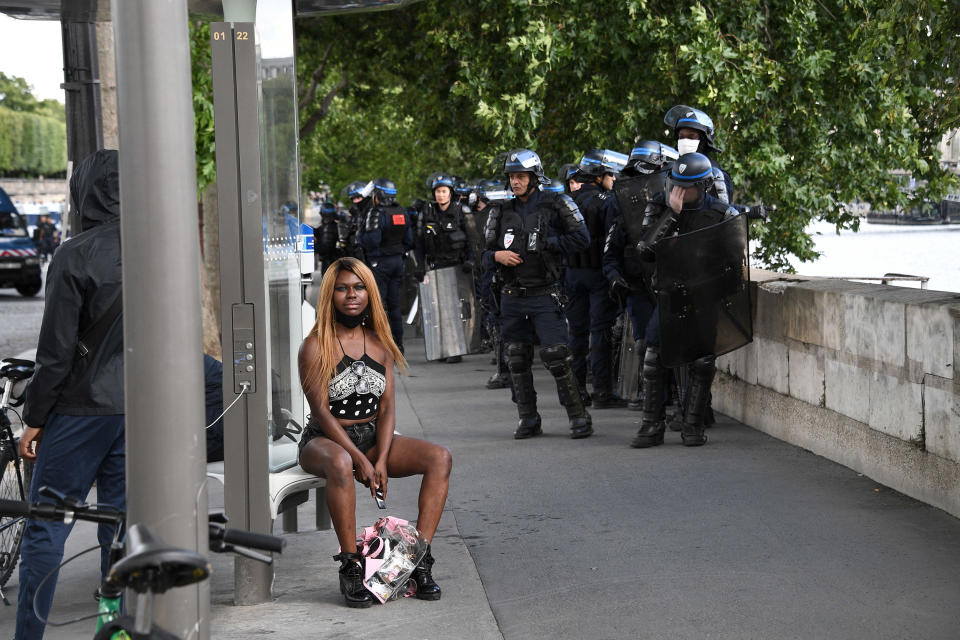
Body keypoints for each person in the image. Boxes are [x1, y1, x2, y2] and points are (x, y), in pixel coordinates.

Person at [298, 257, 452, 608]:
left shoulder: (380, 343)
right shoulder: (314, 346)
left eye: (358, 287)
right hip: (324, 440)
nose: (351, 295)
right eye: (342, 288)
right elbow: (321, 412)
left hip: (371, 439)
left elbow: (386, 409)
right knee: (339, 462)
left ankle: (416, 559)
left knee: (439, 457)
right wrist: (358, 460)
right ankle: (351, 567)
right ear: (329, 295)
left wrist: (380, 459)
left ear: (369, 292)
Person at [16, 150, 125, 640]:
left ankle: (29, 635)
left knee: (48, 523)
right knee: (121, 528)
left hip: (81, 410)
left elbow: (55, 352)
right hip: (141, 410)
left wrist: (34, 418)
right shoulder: (162, 246)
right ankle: (116, 630)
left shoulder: (73, 253)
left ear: (84, 192)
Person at [627, 152, 741, 449]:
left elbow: (734, 261)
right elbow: (646, 251)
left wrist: (712, 283)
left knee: (702, 362)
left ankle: (692, 424)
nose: (680, 191)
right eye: (676, 185)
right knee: (653, 357)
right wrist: (672, 215)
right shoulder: (662, 206)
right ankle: (652, 426)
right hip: (670, 294)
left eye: (686, 186)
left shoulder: (721, 214)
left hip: (704, 296)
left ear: (703, 185)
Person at [482, 149, 593, 439]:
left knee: (557, 356)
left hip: (545, 293)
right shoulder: (500, 210)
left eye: (520, 176)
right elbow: (481, 254)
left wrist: (548, 244)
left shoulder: (557, 203)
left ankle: (579, 416)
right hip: (511, 294)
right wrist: (497, 256)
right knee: (516, 358)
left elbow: (582, 238)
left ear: (534, 177)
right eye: (512, 176)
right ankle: (528, 418)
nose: (515, 181)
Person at [603, 140, 679, 409]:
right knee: (646, 343)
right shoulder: (622, 209)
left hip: (670, 284)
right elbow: (610, 251)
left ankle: (677, 399)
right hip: (637, 285)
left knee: (676, 346)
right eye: (635, 177)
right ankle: (652, 399)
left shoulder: (677, 205)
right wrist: (614, 276)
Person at [565, 149, 629, 409]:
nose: (613, 178)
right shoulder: (608, 201)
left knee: (576, 335)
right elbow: (615, 239)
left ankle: (577, 390)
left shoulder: (567, 200)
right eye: (609, 174)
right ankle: (602, 391)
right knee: (600, 333)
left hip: (571, 274)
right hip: (599, 275)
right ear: (599, 175)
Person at [417, 174, 474, 363]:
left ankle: (456, 349)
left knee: (456, 308)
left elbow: (473, 239)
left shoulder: (461, 211)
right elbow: (419, 242)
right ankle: (442, 349)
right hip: (435, 265)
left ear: (450, 193)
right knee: (437, 308)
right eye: (438, 192)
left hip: (457, 265)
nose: (441, 195)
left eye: (444, 191)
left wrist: (471, 260)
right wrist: (419, 265)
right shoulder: (427, 212)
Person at [358, 178, 414, 353]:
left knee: (378, 306)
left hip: (380, 262)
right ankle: (398, 345)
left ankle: (379, 346)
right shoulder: (401, 212)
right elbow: (409, 240)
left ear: (378, 195)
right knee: (395, 306)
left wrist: (360, 236)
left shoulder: (376, 213)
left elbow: (372, 240)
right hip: (397, 262)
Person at [664, 104, 732, 202]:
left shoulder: (716, 175)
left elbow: (723, 213)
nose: (684, 141)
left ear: (704, 141)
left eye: (691, 137)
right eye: (681, 137)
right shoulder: (672, 171)